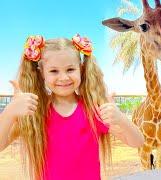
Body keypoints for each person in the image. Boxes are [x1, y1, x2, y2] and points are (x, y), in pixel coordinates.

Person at [0, 34, 144, 180]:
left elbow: (137, 141)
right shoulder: (35, 112)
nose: (63, 78)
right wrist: (9, 113)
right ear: (42, 73)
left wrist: (120, 119)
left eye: (70, 70)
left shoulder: (93, 109)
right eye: (54, 71)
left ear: (81, 69)